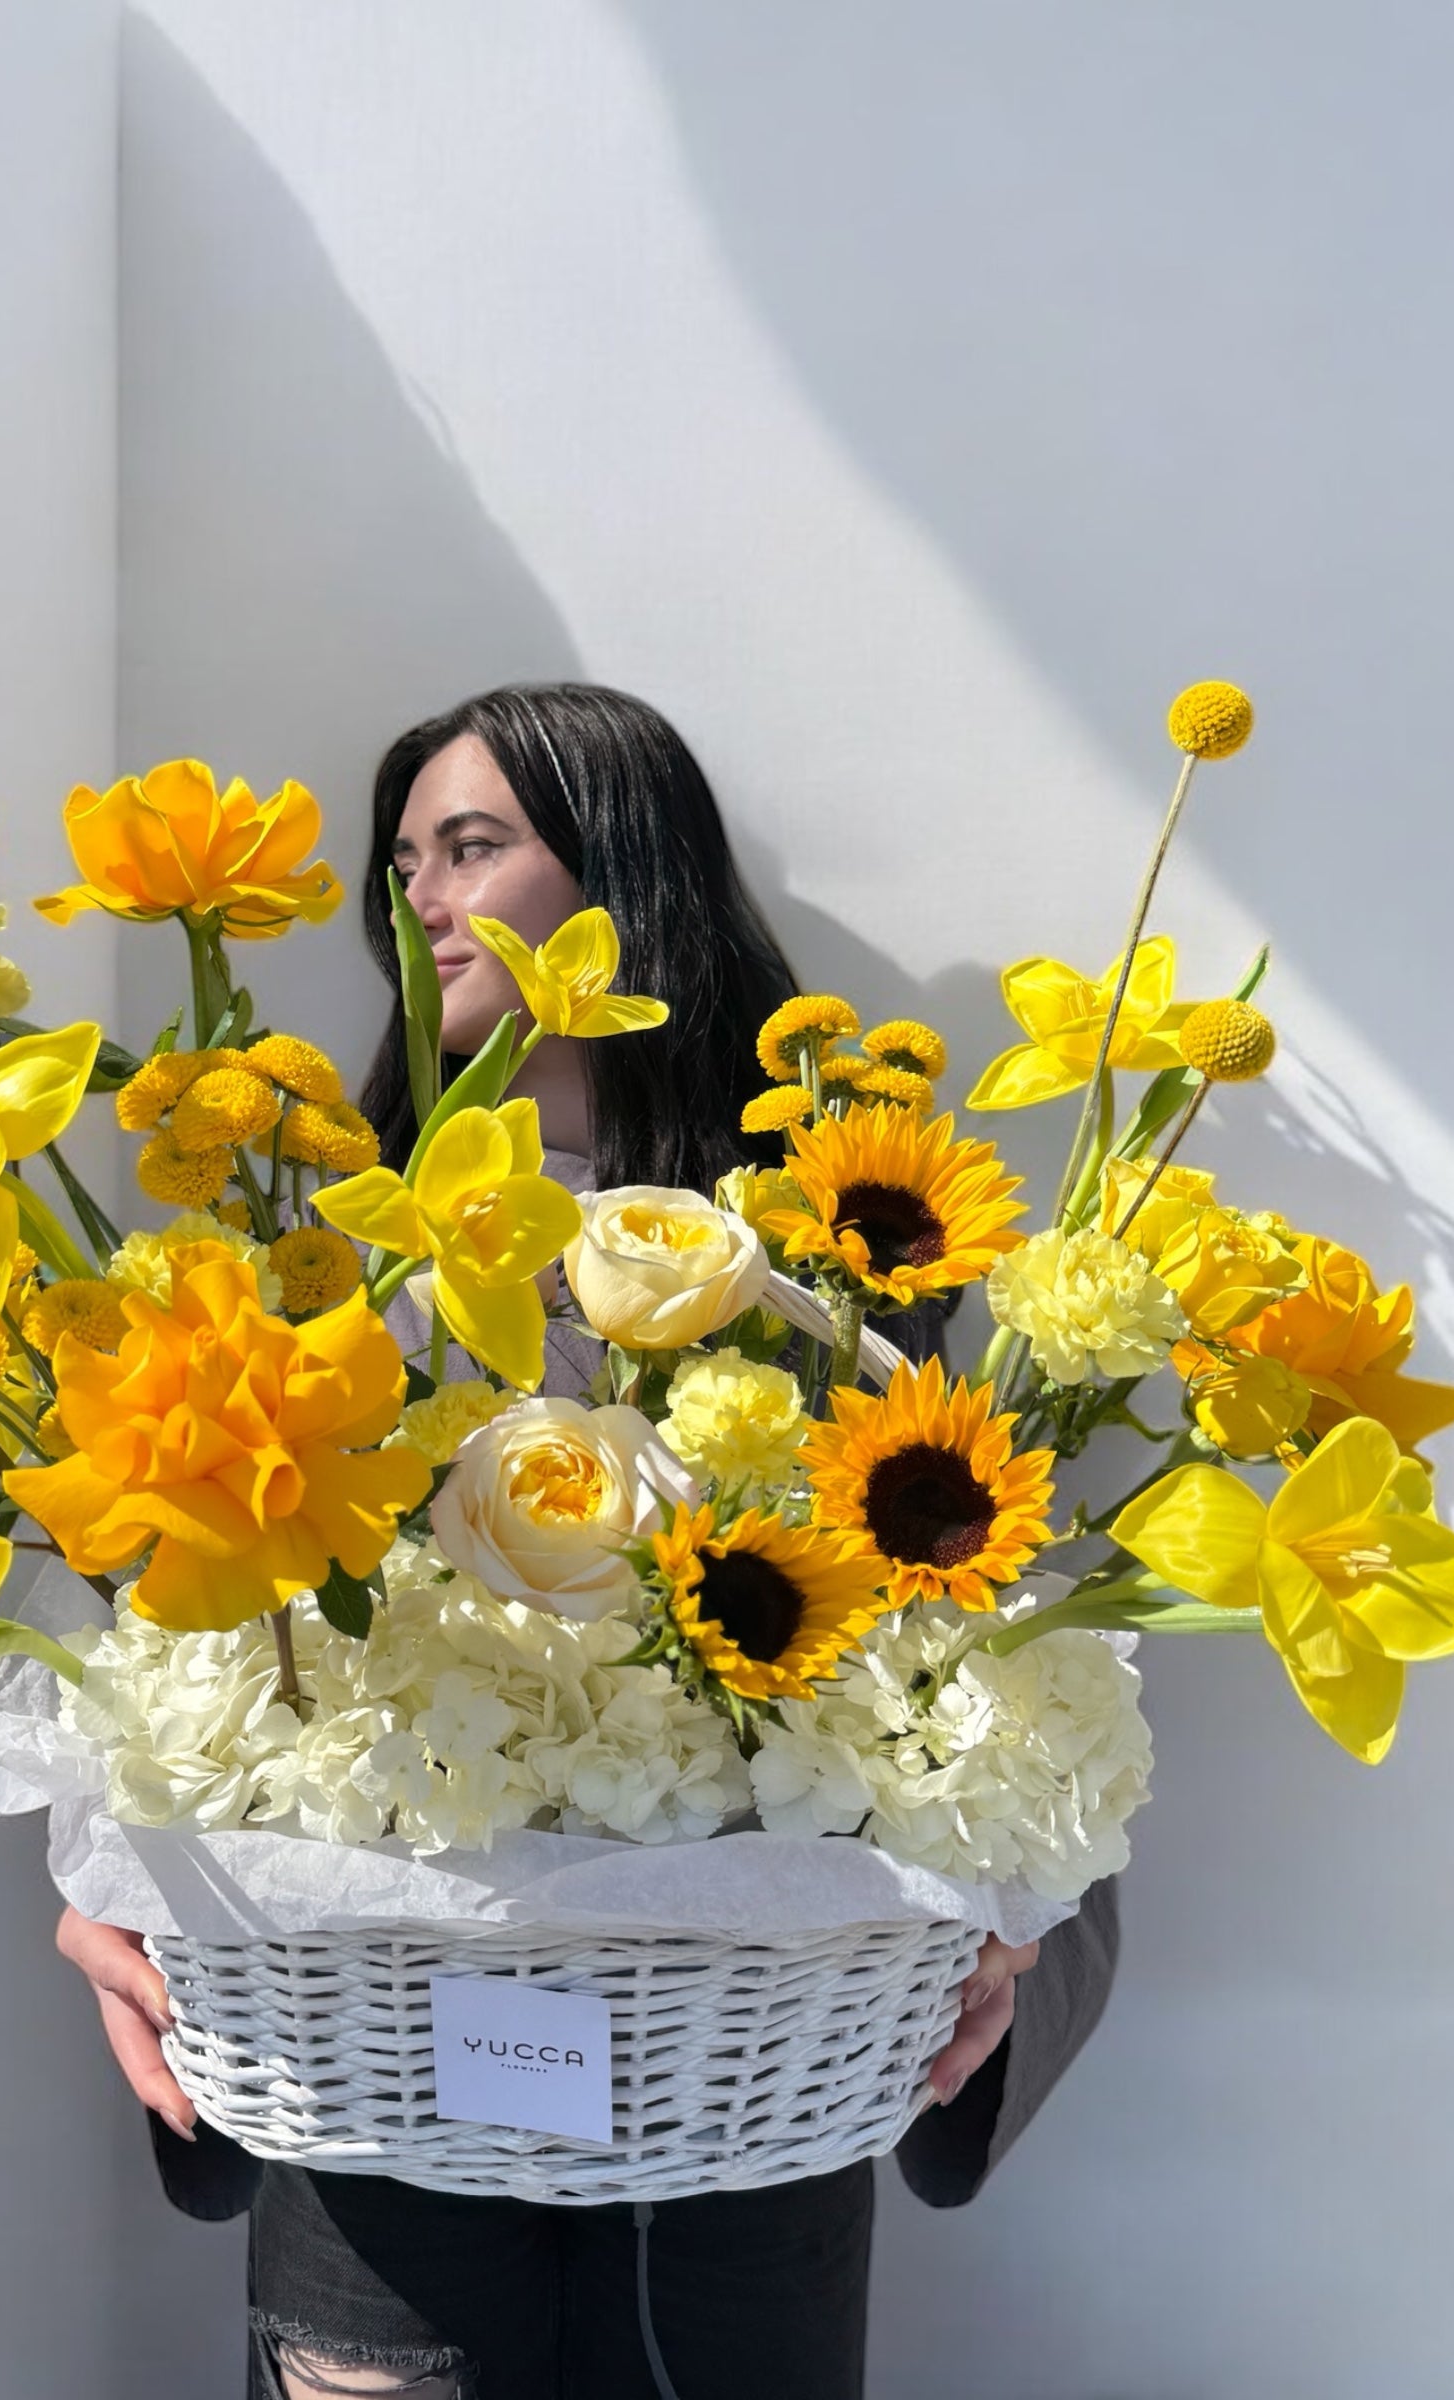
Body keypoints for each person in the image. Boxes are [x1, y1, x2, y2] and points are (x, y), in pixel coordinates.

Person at [56, 684, 1121, 2400]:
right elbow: (171, 1637)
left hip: (743, 2096)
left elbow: (993, 1660)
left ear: (626, 880)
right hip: (376, 2093)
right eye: (406, 861)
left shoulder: (838, 1264)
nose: (422, 895)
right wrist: (115, 1884)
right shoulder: (325, 1266)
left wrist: (1016, 1914)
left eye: (472, 845)